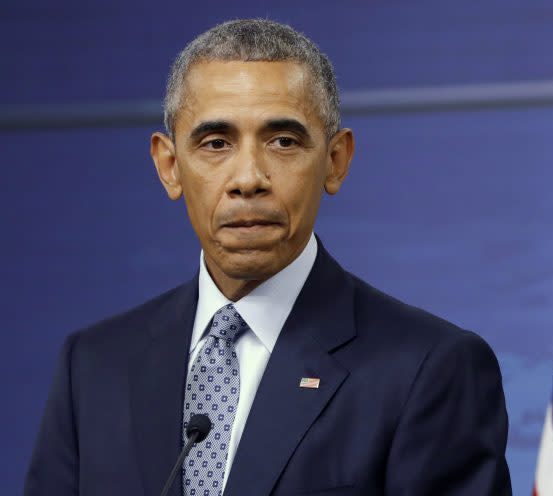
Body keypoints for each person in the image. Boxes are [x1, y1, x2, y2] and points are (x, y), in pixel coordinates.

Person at [24, 19, 511, 496]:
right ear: (169, 167)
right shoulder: (93, 366)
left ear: (335, 161)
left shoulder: (429, 368)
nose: (249, 178)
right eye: (216, 143)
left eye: (283, 142)